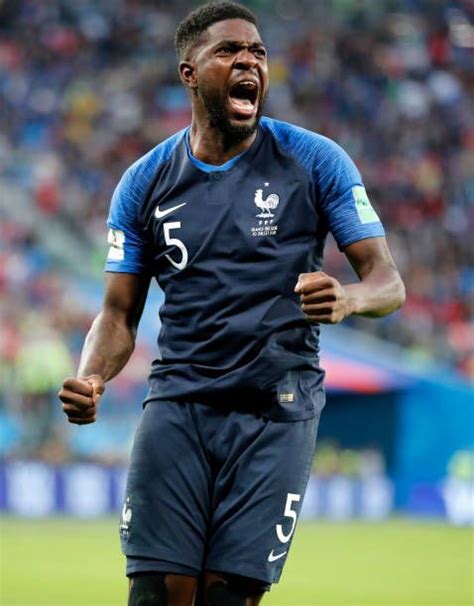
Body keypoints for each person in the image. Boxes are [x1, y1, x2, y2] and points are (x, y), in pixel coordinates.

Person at [58, 2, 405, 605]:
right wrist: (91, 376)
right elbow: (117, 316)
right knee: (157, 594)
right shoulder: (144, 183)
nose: (250, 62)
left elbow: (387, 283)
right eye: (229, 51)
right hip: (179, 405)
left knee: (226, 598)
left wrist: (347, 298)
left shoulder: (315, 161)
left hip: (276, 408)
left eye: (258, 53)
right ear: (190, 74)